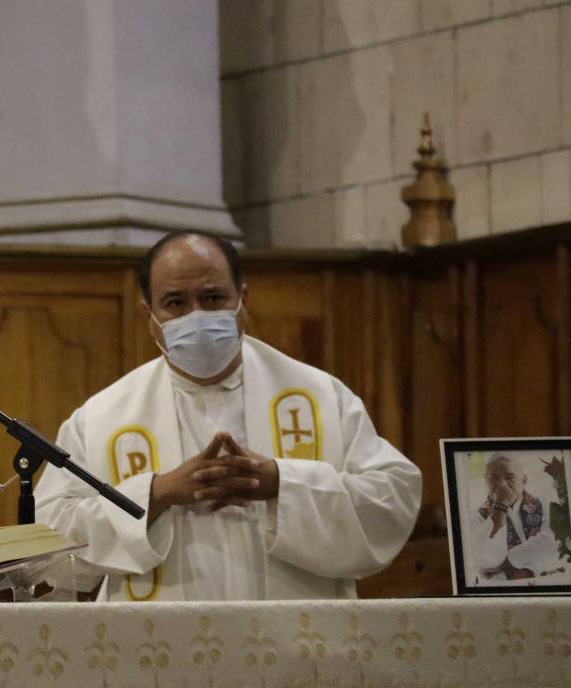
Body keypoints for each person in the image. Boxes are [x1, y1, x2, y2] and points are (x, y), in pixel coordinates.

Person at [34, 231, 422, 600]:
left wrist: (283, 484)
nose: (196, 315)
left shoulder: (321, 396)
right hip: (162, 649)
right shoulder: (102, 416)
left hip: (300, 646)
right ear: (148, 314)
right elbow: (47, 538)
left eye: (213, 297)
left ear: (243, 300)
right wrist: (156, 494)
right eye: (175, 303)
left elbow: (393, 498)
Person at [475, 452, 559, 581]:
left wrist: (509, 560)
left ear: (524, 480)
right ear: (485, 481)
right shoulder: (478, 515)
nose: (502, 484)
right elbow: (488, 560)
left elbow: (553, 542)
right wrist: (501, 507)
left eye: (510, 477)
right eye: (494, 477)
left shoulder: (545, 504)